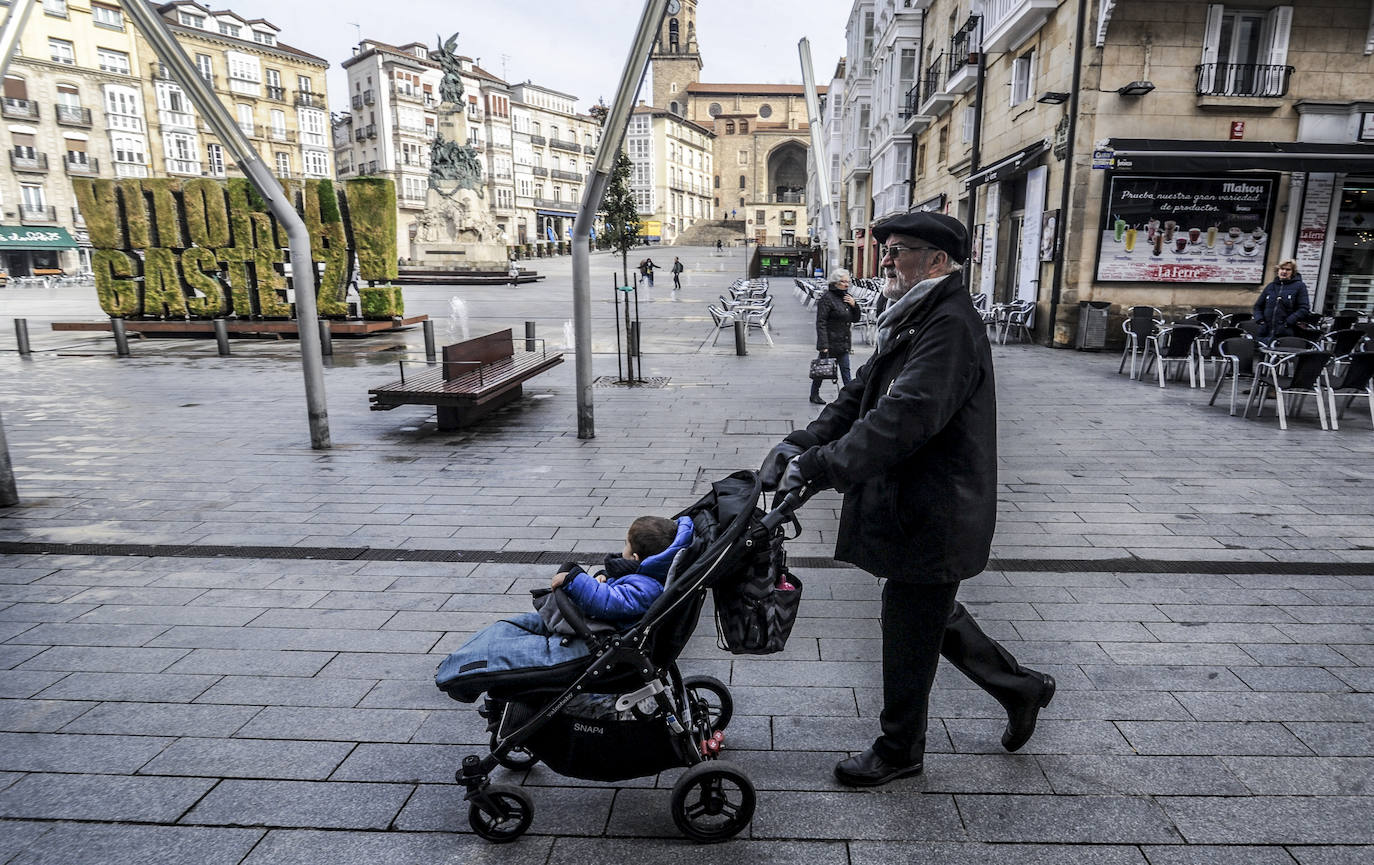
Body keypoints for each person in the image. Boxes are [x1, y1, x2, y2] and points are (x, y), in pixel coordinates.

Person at [761, 211, 1055, 787]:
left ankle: (900, 749)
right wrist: (801, 442)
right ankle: (1022, 688)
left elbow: (904, 417)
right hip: (915, 501)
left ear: (938, 262)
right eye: (888, 250)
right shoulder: (915, 316)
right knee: (928, 613)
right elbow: (860, 396)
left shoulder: (948, 326)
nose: (887, 260)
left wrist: (820, 467)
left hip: (936, 508)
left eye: (898, 250)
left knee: (908, 625)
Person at [547, 515, 689, 625]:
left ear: (635, 557)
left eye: (626, 544)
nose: (622, 549)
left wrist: (573, 580)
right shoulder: (642, 573)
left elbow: (607, 602)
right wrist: (604, 577)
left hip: (598, 632)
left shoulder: (648, 588)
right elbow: (615, 590)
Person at [810, 268, 862, 405]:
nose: (846, 284)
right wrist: (823, 345)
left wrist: (854, 305)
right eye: (843, 282)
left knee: (846, 372)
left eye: (848, 282)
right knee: (821, 371)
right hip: (830, 342)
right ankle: (814, 394)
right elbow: (821, 322)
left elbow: (856, 319)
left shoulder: (847, 297)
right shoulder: (827, 299)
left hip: (843, 343)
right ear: (835, 283)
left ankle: (849, 398)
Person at [1252, 259, 1310, 342]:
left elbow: (1304, 308)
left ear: (1293, 272)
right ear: (1278, 270)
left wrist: (1288, 322)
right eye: (1282, 269)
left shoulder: (1300, 286)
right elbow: (1257, 306)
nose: (1284, 271)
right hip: (1265, 332)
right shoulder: (1270, 286)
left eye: (1288, 269)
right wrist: (1260, 320)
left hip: (1286, 333)